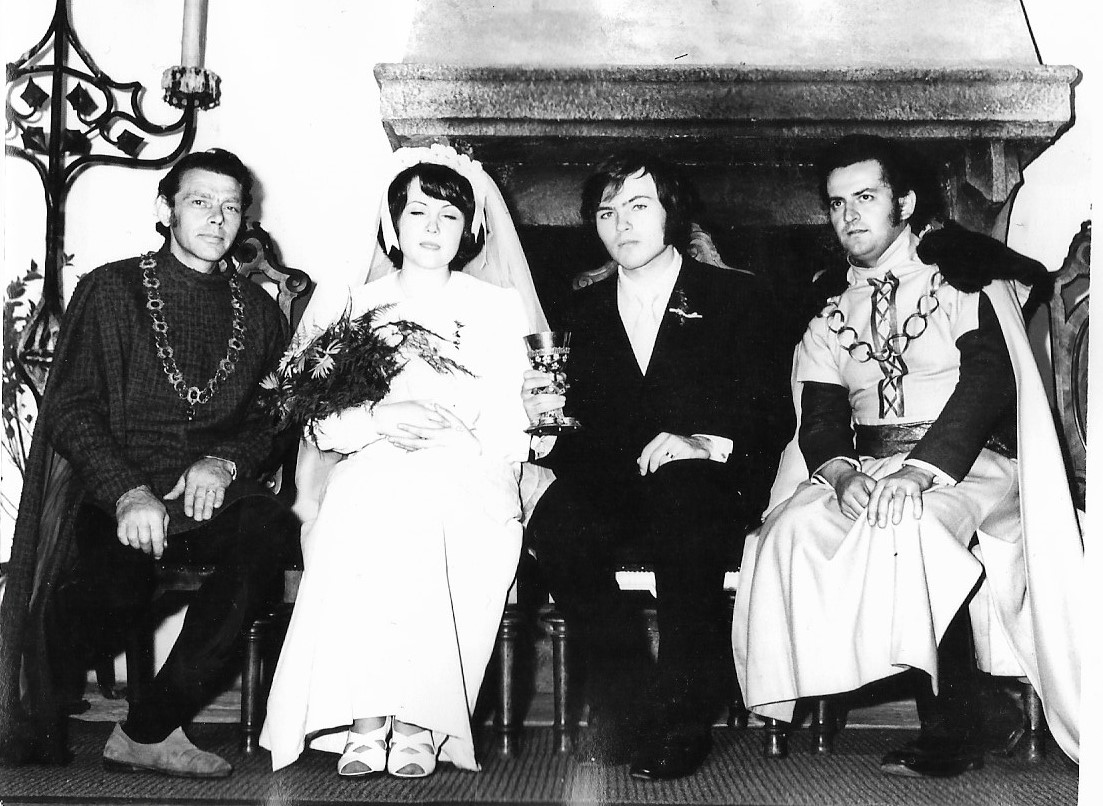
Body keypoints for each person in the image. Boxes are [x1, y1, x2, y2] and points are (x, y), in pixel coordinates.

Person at [731, 134, 1082, 777]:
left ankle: (952, 725)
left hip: (970, 462)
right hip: (868, 466)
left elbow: (986, 383)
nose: (849, 216)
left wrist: (921, 471)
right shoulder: (827, 307)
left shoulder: (962, 278)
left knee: (910, 524)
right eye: (837, 203)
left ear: (907, 203)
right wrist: (840, 475)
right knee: (790, 529)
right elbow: (821, 414)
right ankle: (807, 698)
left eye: (865, 197)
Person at [0, 148, 300, 778]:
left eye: (230, 207)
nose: (216, 218)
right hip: (112, 496)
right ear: (167, 210)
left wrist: (224, 461)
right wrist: (127, 491)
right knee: (113, 590)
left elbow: (272, 421)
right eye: (200, 201)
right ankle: (37, 700)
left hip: (206, 499)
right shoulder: (110, 290)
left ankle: (148, 728)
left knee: (271, 529)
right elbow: (71, 409)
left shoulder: (261, 313)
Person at [259, 145, 547, 777]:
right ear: (392, 226)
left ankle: (419, 721)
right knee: (362, 503)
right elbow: (318, 418)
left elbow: (515, 419)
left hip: (468, 466)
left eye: (449, 215)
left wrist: (459, 441)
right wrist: (379, 420)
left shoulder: (498, 308)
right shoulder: (357, 304)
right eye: (418, 212)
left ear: (470, 229)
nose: (432, 228)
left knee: (422, 504)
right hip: (372, 458)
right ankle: (365, 719)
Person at [524, 152, 787, 781]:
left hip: (711, 480)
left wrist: (704, 442)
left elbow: (773, 410)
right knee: (556, 522)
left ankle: (683, 715)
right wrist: (544, 424)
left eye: (639, 206)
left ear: (673, 212)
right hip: (617, 484)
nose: (621, 223)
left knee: (684, 499)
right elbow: (577, 437)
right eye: (606, 212)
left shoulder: (738, 295)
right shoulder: (579, 311)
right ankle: (628, 703)